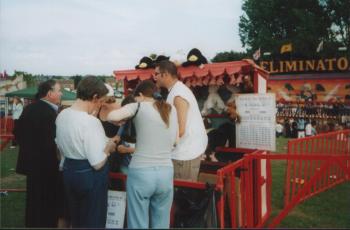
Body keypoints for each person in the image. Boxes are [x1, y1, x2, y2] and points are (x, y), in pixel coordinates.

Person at [106, 80, 178, 228]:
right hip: (166, 171)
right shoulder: (171, 109)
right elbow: (175, 141)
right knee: (161, 222)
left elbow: (111, 116)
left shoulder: (137, 106)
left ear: (140, 95)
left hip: (141, 172)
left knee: (138, 222)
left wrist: (123, 119)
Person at [55, 76, 116, 228]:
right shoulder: (90, 121)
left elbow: (59, 149)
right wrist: (109, 148)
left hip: (69, 172)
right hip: (89, 176)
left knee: (76, 219)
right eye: (101, 100)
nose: (101, 104)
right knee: (93, 221)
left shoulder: (62, 115)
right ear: (94, 97)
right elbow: (97, 163)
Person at [15, 80, 63, 228]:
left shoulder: (29, 109)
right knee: (49, 202)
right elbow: (55, 142)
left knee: (34, 200)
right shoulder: (51, 114)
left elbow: (17, 133)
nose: (61, 93)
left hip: (31, 165)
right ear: (49, 94)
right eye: (59, 90)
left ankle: (33, 223)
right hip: (48, 166)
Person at [154, 60, 208, 181]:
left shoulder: (178, 94)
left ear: (165, 74)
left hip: (185, 153)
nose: (154, 77)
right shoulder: (176, 90)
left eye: (156, 74)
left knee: (183, 195)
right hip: (184, 151)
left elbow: (181, 129)